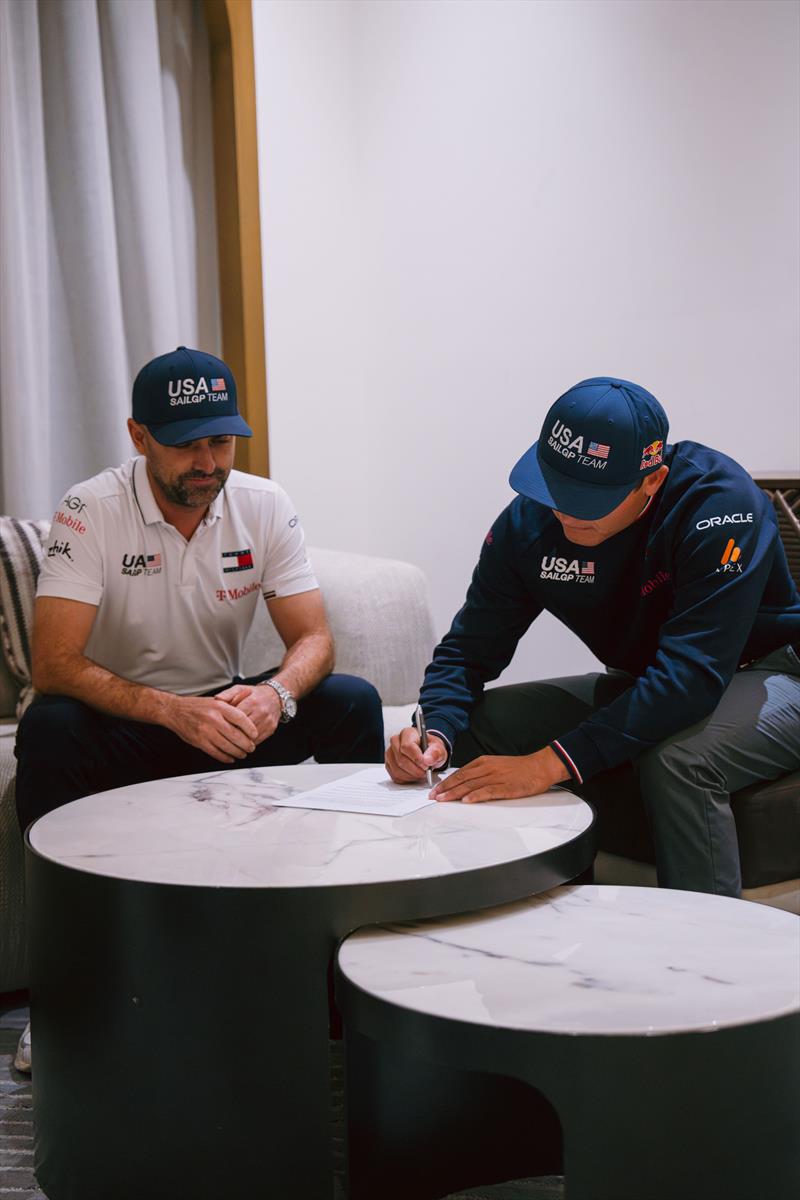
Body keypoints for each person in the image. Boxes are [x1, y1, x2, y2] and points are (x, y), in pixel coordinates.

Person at [13, 346, 384, 1070]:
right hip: (122, 721)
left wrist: (275, 695)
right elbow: (54, 664)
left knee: (352, 702)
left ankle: (346, 976)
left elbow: (313, 639)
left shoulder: (263, 504)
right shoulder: (89, 509)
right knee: (48, 727)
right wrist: (170, 711)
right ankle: (61, 1000)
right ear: (139, 436)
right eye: (187, 445)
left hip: (223, 718)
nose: (208, 463)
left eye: (221, 441)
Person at [386, 376, 800, 900]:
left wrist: (547, 765)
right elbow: (468, 651)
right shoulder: (527, 524)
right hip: (645, 678)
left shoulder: (720, 505)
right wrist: (435, 733)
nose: (563, 509)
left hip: (773, 670)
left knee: (679, 758)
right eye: (554, 485)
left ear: (651, 481)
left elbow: (691, 677)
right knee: (482, 725)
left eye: (588, 497)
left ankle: (706, 940)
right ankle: (547, 914)